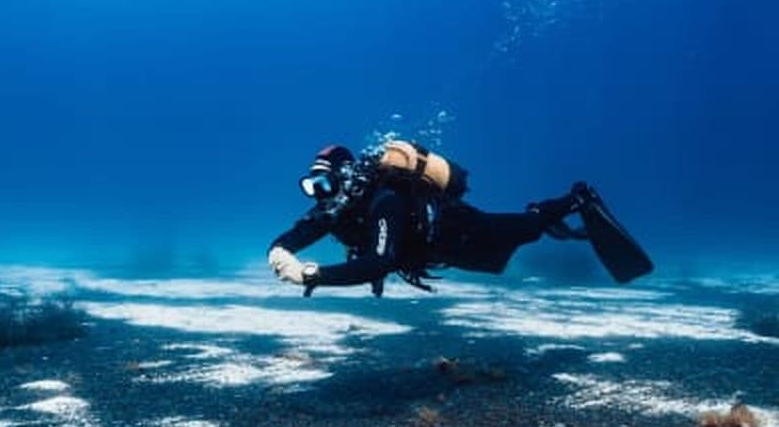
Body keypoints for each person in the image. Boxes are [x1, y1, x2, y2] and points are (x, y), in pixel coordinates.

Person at [268, 143, 652, 297]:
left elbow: (380, 262)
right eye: (312, 187)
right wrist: (279, 250)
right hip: (437, 252)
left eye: (325, 184)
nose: (320, 194)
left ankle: (575, 199)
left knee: (526, 229)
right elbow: (303, 230)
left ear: (346, 177)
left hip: (460, 230)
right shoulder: (338, 209)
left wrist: (315, 275)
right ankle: (547, 218)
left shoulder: (384, 201)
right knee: (516, 245)